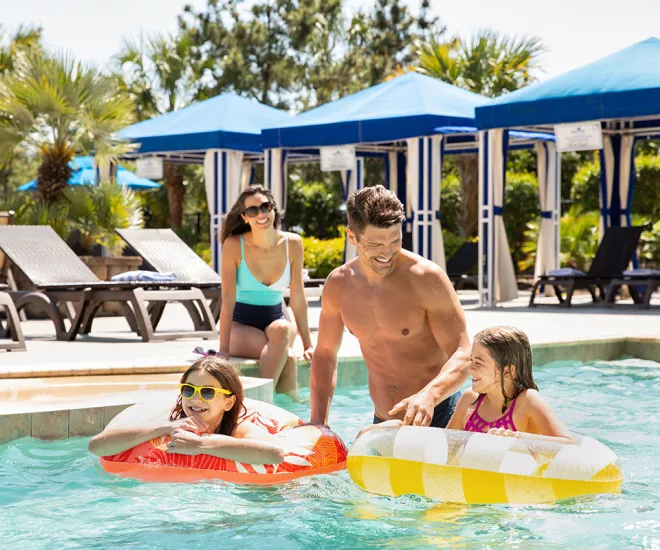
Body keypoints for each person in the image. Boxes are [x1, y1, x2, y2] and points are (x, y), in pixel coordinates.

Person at [309, 185, 471, 428]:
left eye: (395, 241)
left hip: (438, 416)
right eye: (375, 245)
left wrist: (430, 395)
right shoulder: (339, 284)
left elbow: (465, 352)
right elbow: (324, 354)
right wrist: (318, 421)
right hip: (382, 422)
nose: (387, 253)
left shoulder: (426, 278)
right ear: (352, 237)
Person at [89, 357, 285, 464]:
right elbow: (96, 447)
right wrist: (164, 428)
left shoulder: (238, 429)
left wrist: (201, 444)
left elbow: (275, 454)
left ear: (228, 402)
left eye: (207, 392)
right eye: (189, 390)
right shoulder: (171, 422)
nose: (195, 398)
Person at [219, 185, 314, 397]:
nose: (260, 214)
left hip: (276, 321)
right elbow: (227, 299)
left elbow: (298, 297)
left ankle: (264, 404)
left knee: (281, 331)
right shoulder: (234, 245)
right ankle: (287, 405)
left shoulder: (293, 243)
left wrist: (308, 345)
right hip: (241, 325)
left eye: (265, 206)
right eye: (252, 211)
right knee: (286, 357)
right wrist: (223, 349)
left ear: (273, 209)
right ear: (245, 217)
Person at [444, 326, 574, 443]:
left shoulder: (528, 401)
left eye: (478, 363)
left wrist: (519, 438)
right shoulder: (469, 400)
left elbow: (569, 444)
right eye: (471, 360)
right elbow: (446, 445)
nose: (470, 369)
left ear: (507, 371)